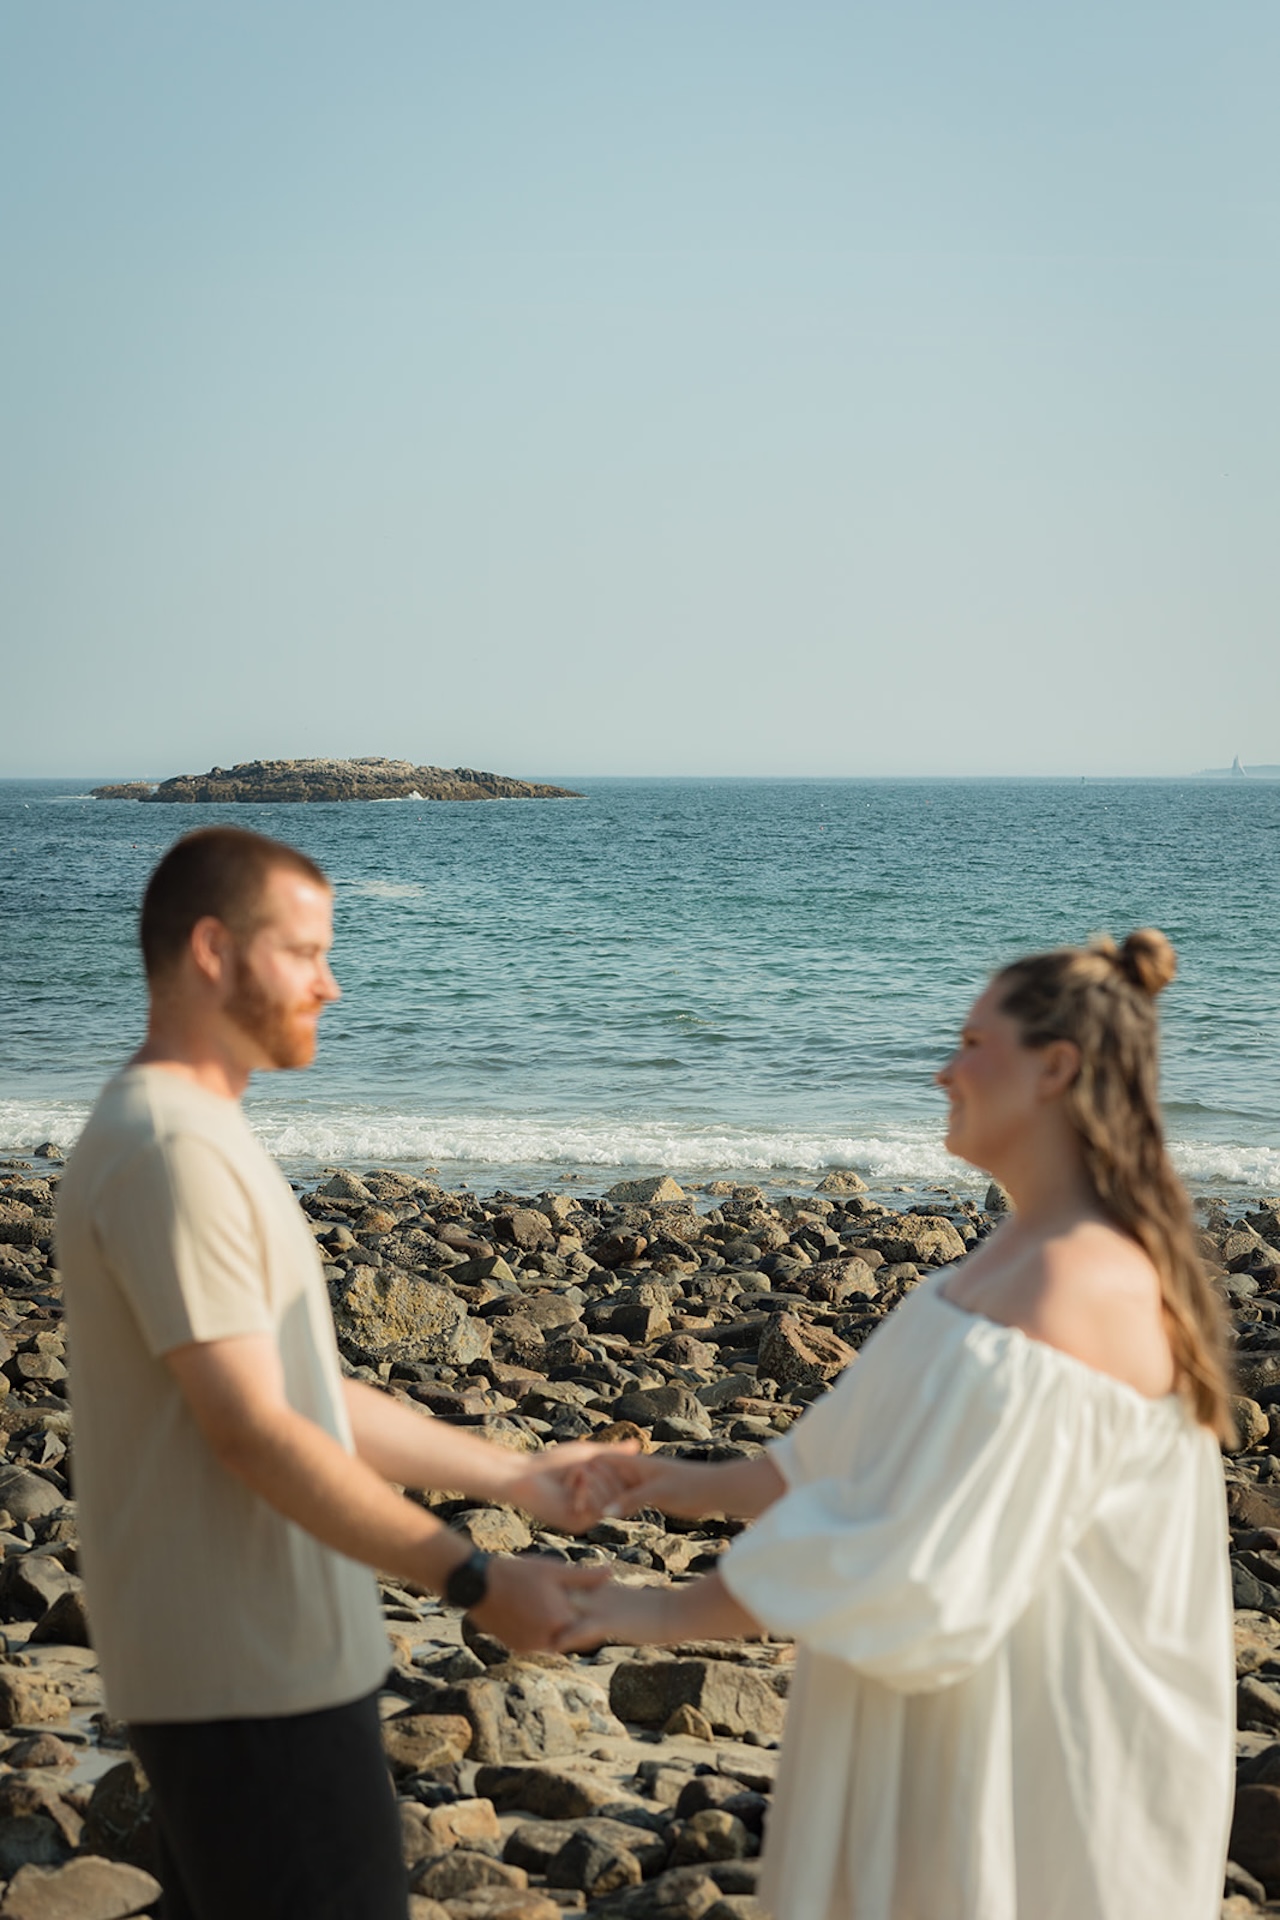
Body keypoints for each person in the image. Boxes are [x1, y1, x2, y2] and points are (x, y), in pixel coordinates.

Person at [562, 930, 1236, 1920]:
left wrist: (647, 1614)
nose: (942, 1069)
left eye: (971, 1043)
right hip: (946, 1742)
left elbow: (919, 1572)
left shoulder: (1076, 1282)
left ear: (1055, 1067)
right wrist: (654, 1479)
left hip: (1030, 1768)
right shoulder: (1000, 1259)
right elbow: (825, 1466)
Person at [57, 826, 622, 1920]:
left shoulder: (194, 1135)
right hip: (246, 1685)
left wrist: (514, 1478)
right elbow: (253, 1432)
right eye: (307, 952)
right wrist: (475, 1579)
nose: (333, 983)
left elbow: (303, 1390)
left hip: (261, 1674)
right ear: (214, 952)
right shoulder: (171, 1149)